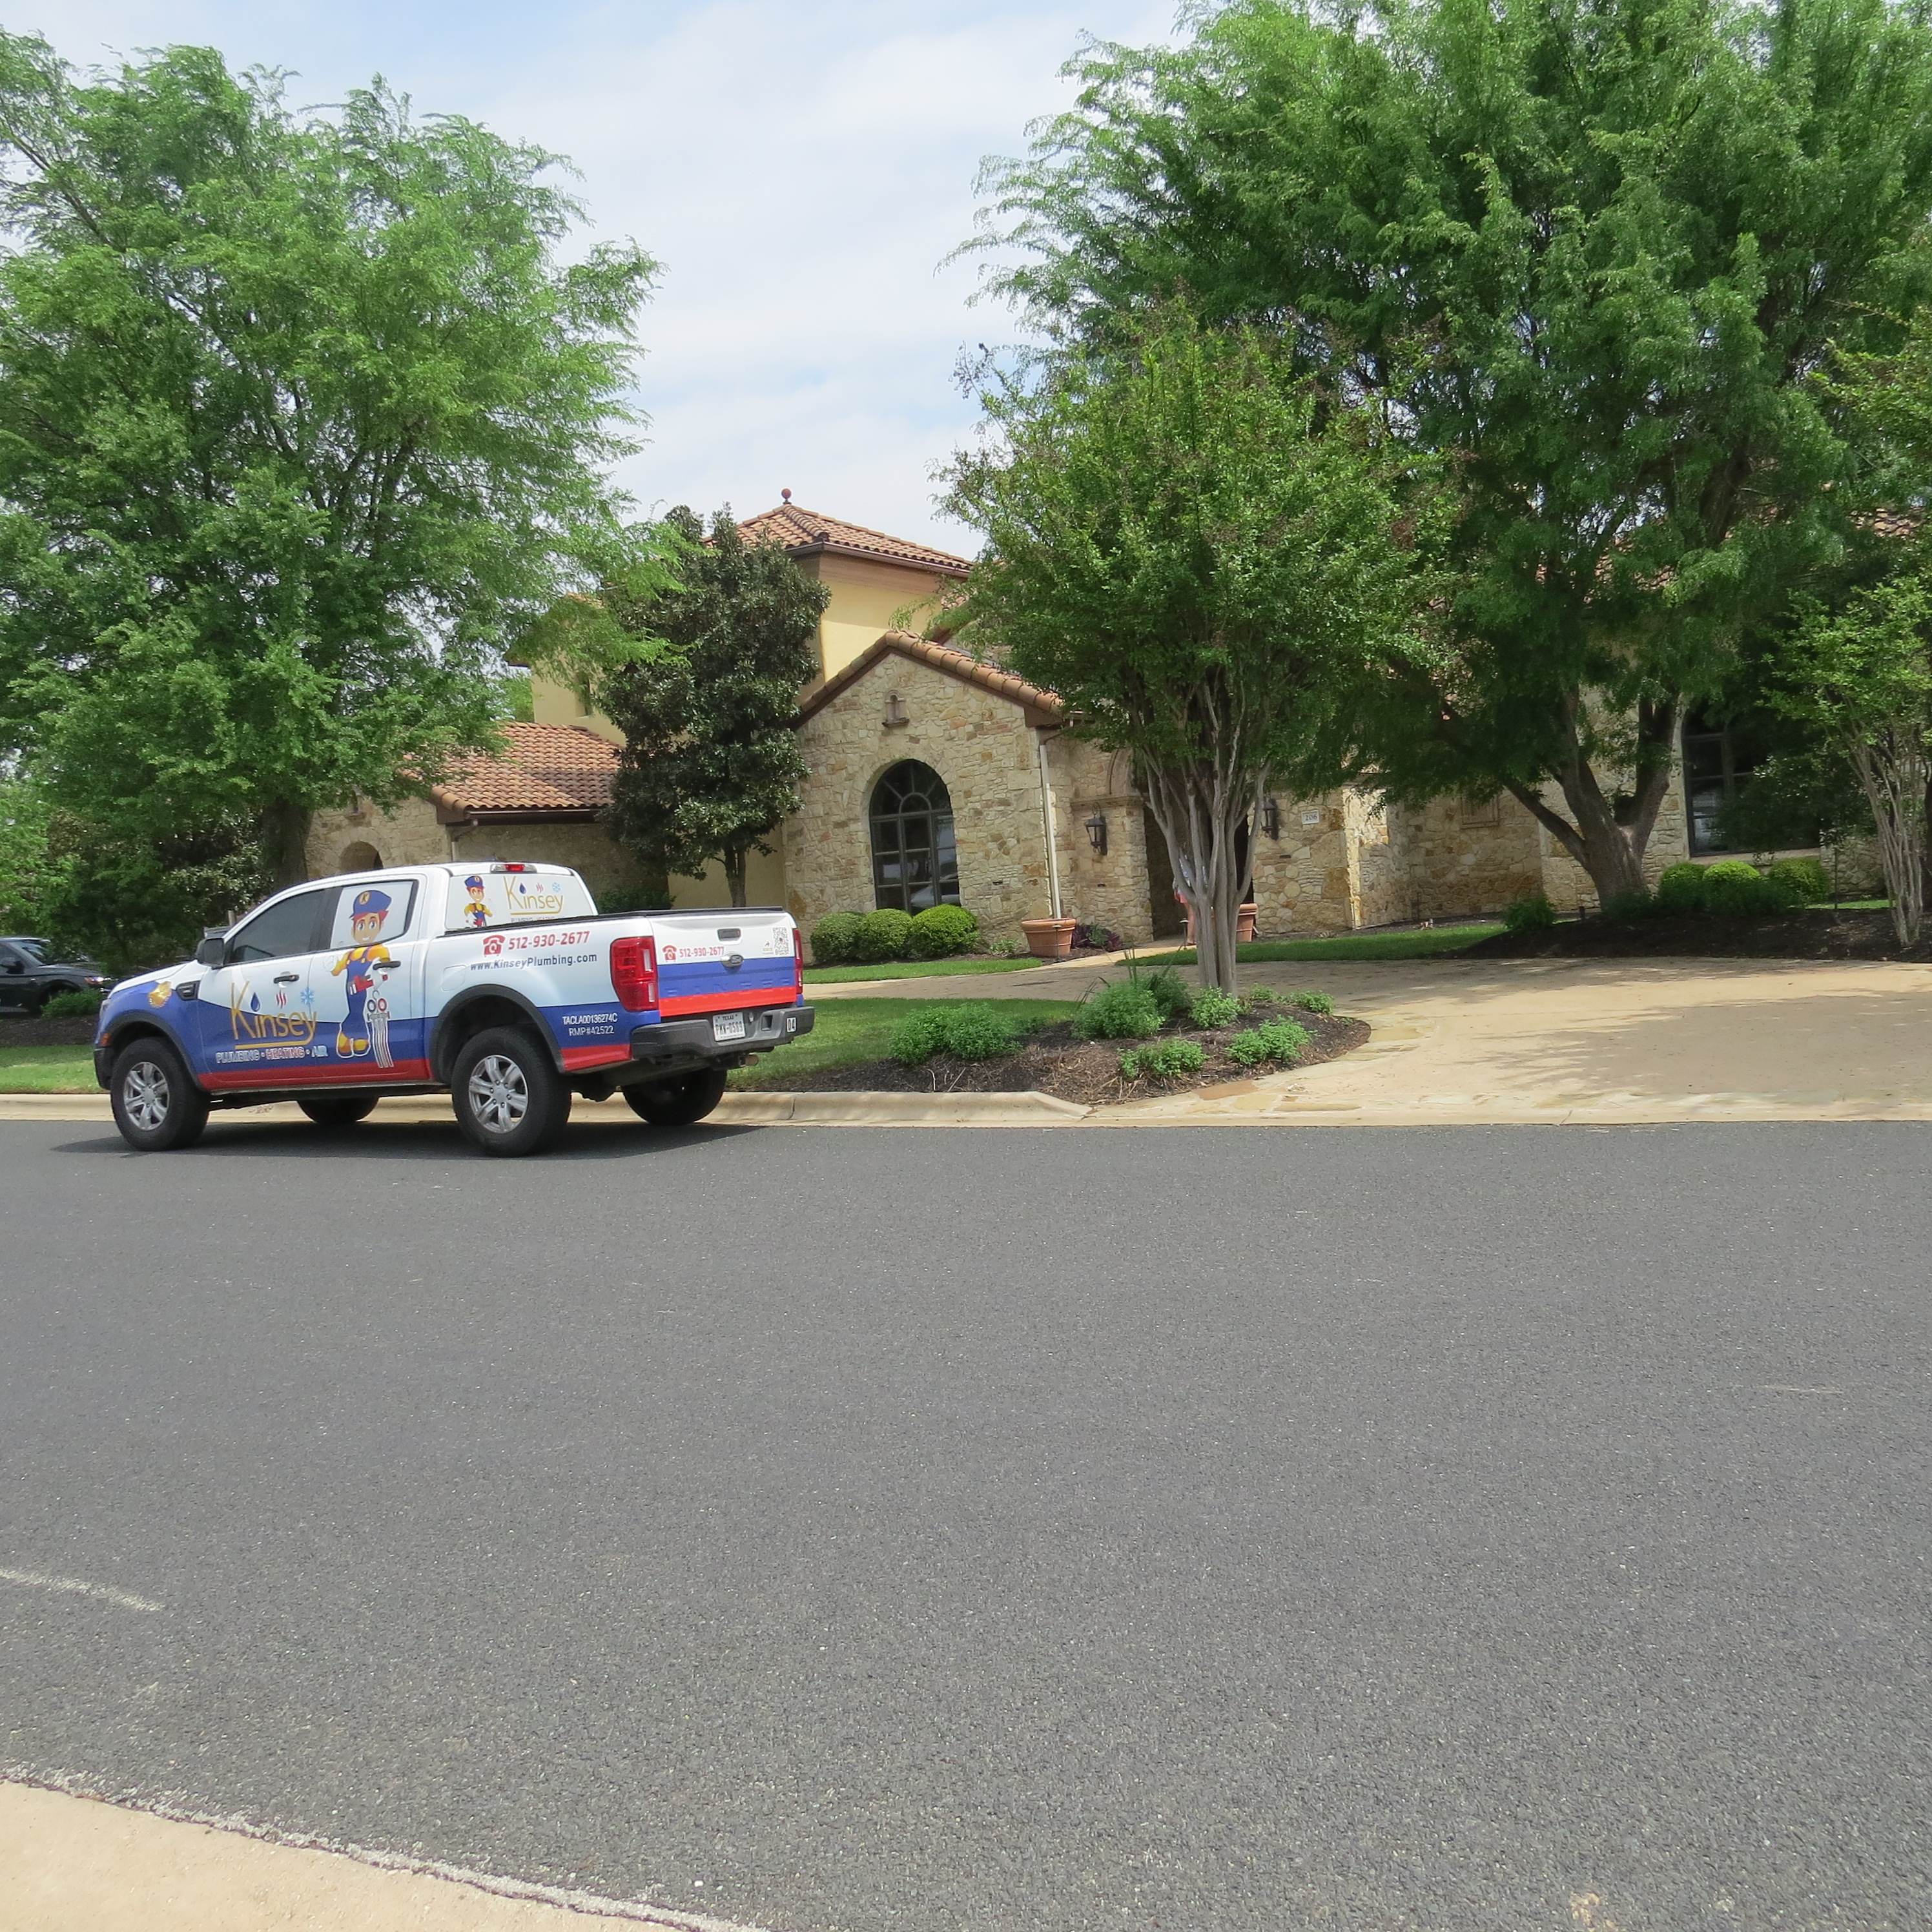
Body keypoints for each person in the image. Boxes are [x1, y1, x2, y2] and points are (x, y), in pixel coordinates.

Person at [330, 888, 392, 1056]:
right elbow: (334, 972)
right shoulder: (348, 955)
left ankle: (350, 1038)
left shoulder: (375, 950)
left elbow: (385, 959)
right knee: (355, 1012)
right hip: (350, 992)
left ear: (381, 925)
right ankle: (356, 1040)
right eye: (360, 925)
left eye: (372, 924)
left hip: (362, 991)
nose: (365, 931)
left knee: (357, 1012)